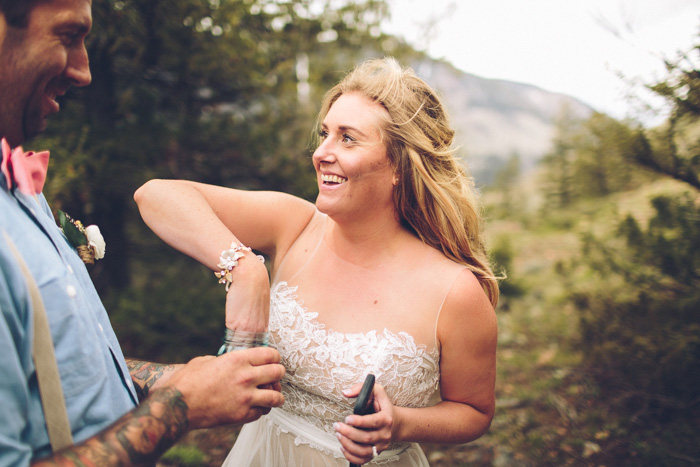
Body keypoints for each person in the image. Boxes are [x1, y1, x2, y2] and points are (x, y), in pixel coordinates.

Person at [135, 57, 499, 466]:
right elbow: (157, 195)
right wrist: (244, 268)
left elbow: (474, 412)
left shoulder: (455, 291)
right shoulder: (295, 225)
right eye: (325, 134)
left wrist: (400, 423)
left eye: (348, 138)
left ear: (398, 164)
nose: (322, 153)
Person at [0, 1, 285, 465]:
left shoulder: (21, 187)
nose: (83, 71)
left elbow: (62, 361)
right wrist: (180, 407)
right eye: (69, 36)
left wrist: (170, 379)